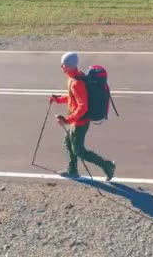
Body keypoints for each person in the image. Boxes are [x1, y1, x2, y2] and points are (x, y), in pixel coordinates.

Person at [49, 52, 116, 181]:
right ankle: (72, 169)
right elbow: (74, 98)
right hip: (77, 120)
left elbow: (83, 106)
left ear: (68, 66)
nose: (61, 67)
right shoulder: (75, 77)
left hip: (80, 122)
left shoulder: (76, 83)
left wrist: (67, 120)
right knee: (68, 142)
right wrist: (58, 100)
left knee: (79, 151)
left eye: (62, 65)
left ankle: (107, 165)